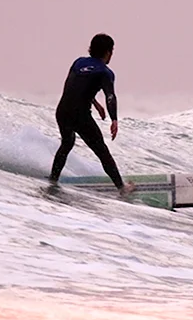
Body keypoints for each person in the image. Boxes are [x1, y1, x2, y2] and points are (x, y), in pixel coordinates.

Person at [49, 34, 136, 197]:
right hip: (80, 116)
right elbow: (110, 96)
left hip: (62, 111)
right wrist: (114, 119)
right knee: (102, 152)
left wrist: (95, 104)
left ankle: (53, 180)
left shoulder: (78, 63)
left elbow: (73, 87)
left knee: (67, 143)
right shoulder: (105, 72)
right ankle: (122, 188)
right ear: (108, 52)